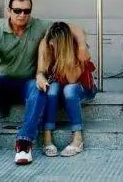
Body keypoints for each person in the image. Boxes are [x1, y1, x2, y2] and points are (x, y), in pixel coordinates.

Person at [0, 0, 86, 165]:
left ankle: (24, 142)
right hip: (3, 83)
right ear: (9, 10)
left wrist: (81, 46)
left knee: (39, 87)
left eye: (26, 11)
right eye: (17, 10)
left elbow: (71, 28)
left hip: (27, 84)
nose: (22, 15)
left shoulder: (38, 26)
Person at [36, 21, 97, 157]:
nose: (51, 44)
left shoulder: (79, 50)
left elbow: (71, 79)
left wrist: (63, 56)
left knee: (69, 89)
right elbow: (40, 70)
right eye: (50, 40)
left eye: (55, 42)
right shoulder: (46, 44)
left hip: (82, 88)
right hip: (59, 88)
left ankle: (78, 137)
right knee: (52, 89)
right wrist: (40, 77)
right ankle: (47, 137)